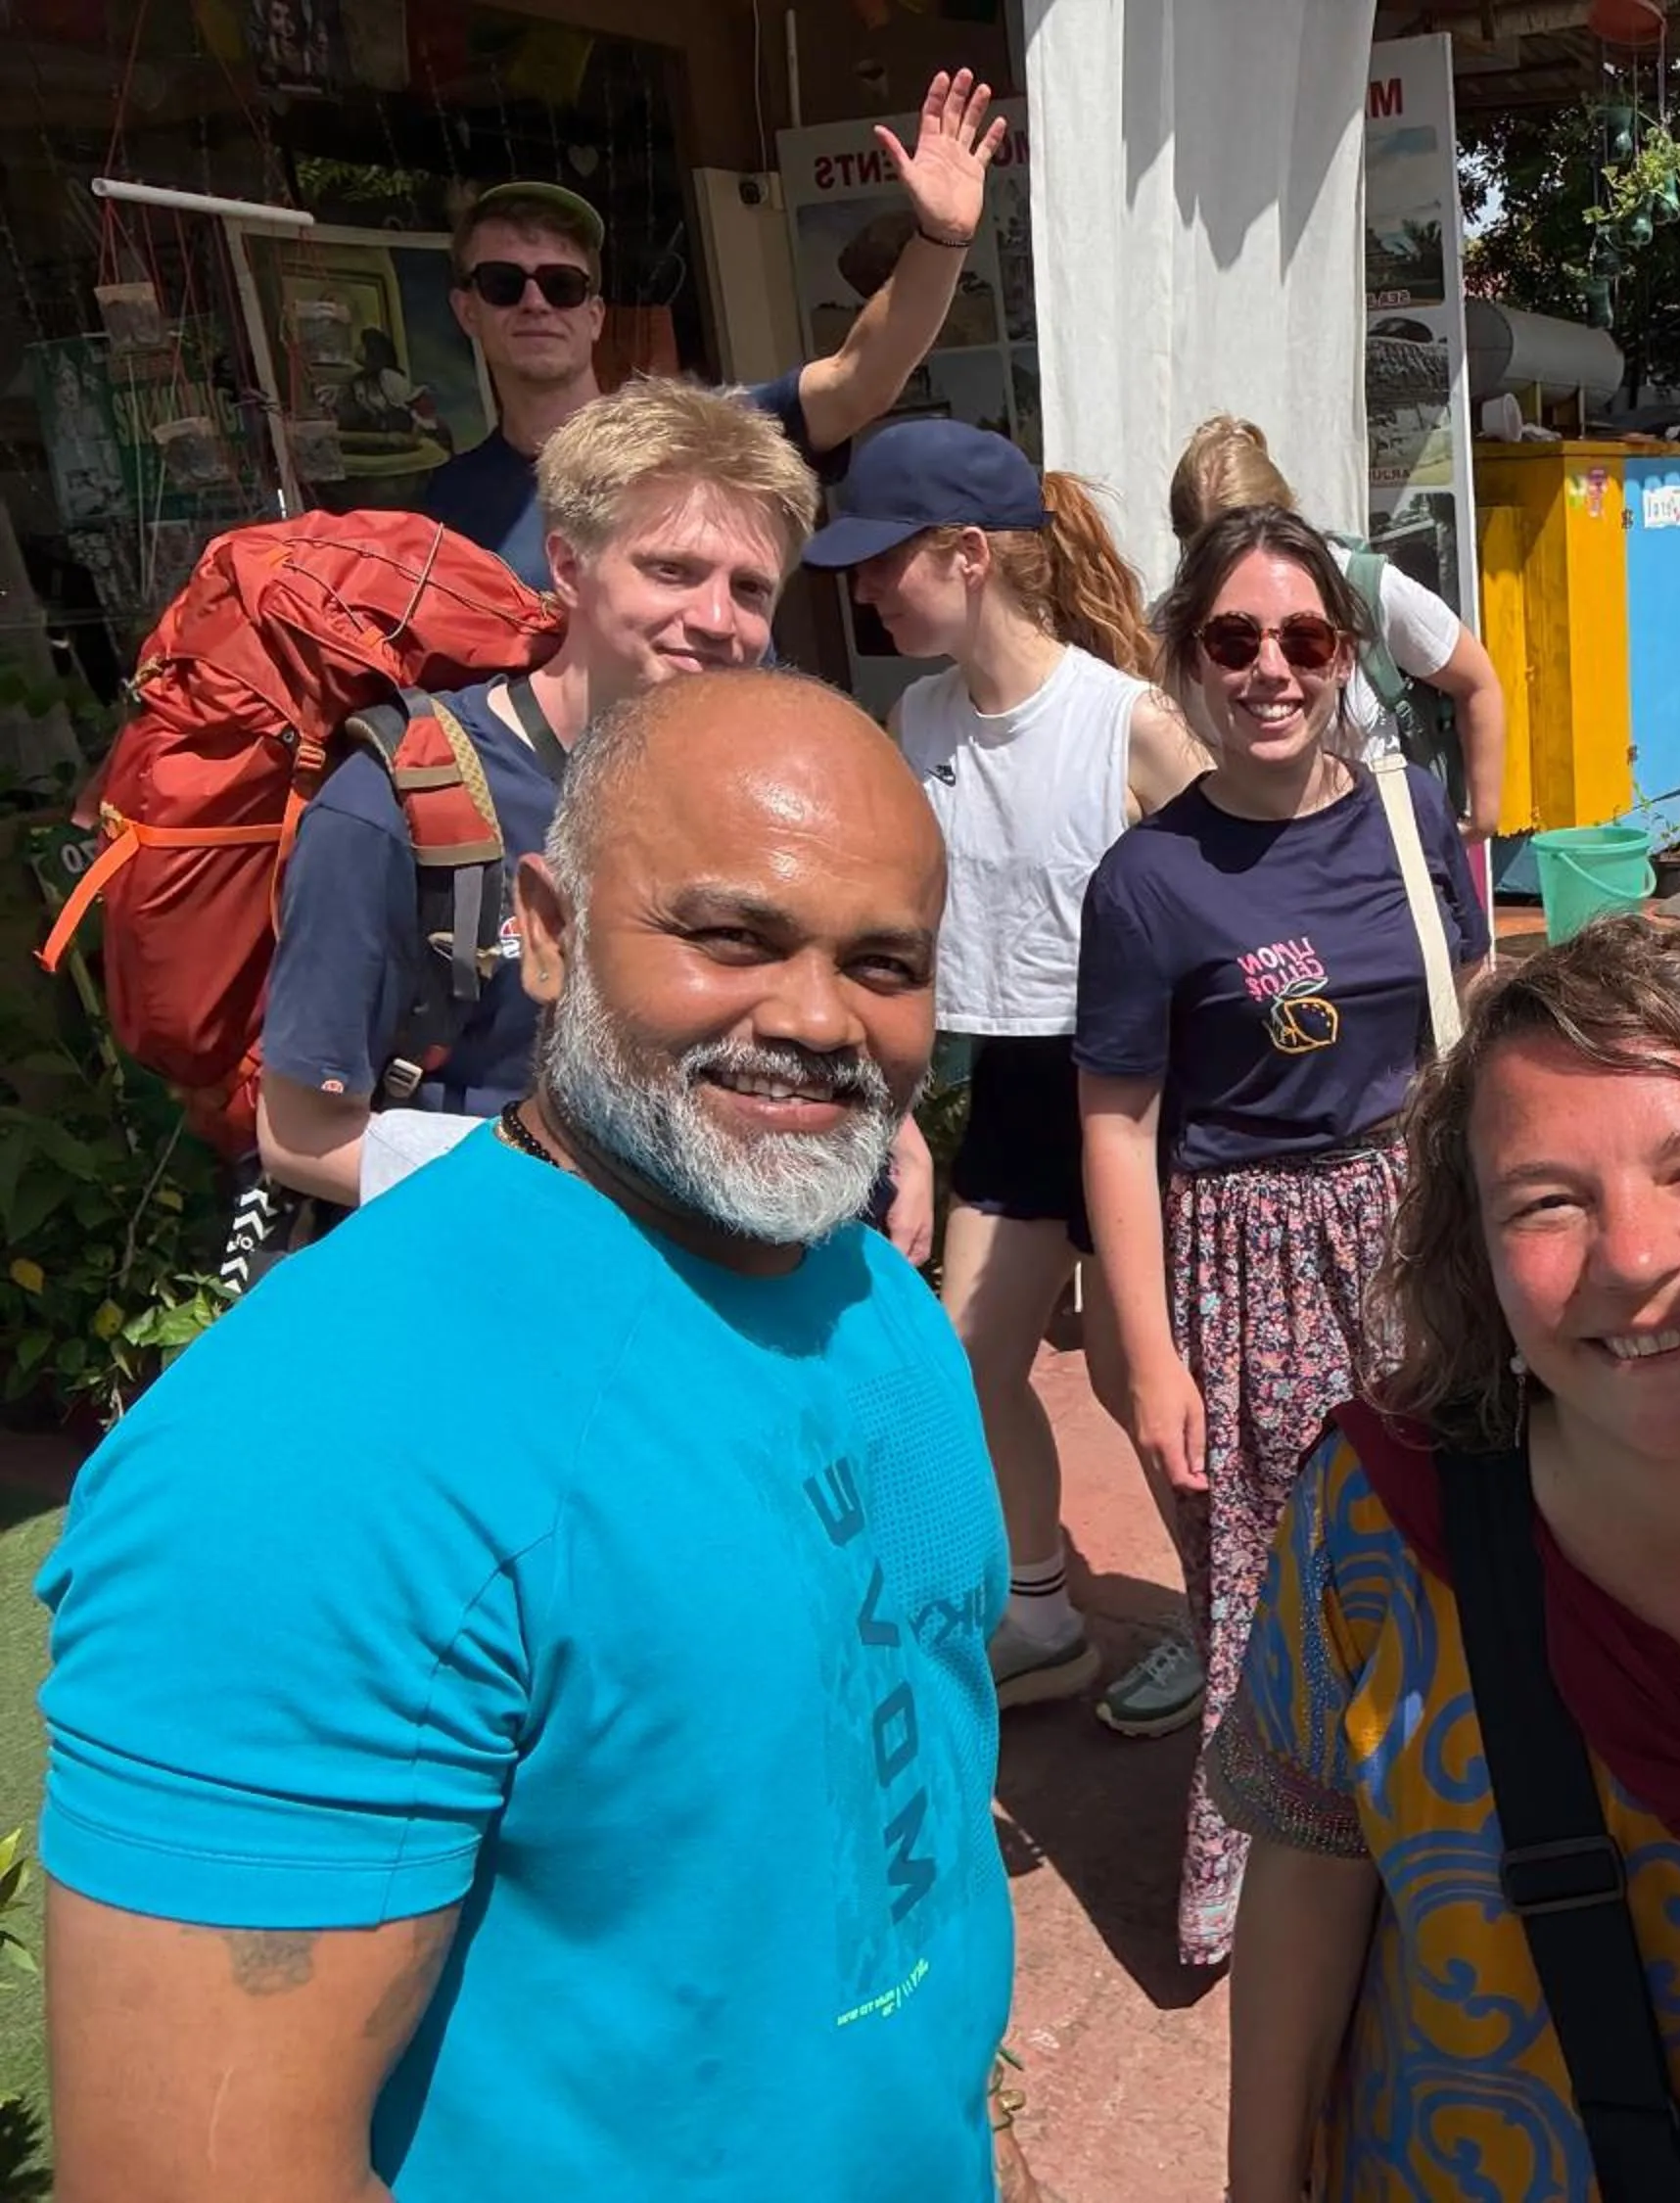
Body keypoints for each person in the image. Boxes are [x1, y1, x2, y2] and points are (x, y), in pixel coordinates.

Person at [40, 668, 1014, 2203]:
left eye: (883, 961)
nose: (820, 1019)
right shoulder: (309, 1459)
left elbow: (890, 1829)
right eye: (732, 934)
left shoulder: (848, 1274)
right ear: (548, 931)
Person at [1215, 915, 1680, 2196]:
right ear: (1476, 1255)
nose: (1635, 1258)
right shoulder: (1378, 1521)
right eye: (1548, 1201)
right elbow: (1308, 1874)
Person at [1077, 502, 1487, 1965]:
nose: (1272, 669)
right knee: (1267, 1584)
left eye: (1305, 638)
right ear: (1189, 657)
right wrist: (1147, 1354)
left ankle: (1434, 1842)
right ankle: (1275, 1903)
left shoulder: (1409, 814)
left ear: (1345, 656)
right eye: (1235, 639)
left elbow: (1466, 1011)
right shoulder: (1147, 880)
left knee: (1452, 1549)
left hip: (1413, 1225)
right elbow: (1117, 1121)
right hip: (1241, 1264)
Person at [798, 417, 1211, 1735]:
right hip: (1019, 1085)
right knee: (970, 1353)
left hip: (1148, 1092)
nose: (862, 590)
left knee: (1141, 1380)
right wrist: (893, 1109)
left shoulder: (1125, 721)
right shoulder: (909, 719)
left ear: (968, 555)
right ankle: (1041, 1612)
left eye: (883, 561)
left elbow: (1233, 913)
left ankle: (1230, 1623)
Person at [257, 376, 820, 1215]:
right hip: (488, 1274)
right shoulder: (397, 806)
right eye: (672, 570)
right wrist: (580, 1203)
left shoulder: (747, 784)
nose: (715, 618)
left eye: (750, 589)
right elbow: (301, 1134)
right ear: (568, 565)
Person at [424, 70, 1002, 588]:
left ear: (594, 315)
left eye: (562, 285)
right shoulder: (446, 507)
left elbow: (859, 378)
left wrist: (942, 238)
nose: (534, 302)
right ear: (465, 309)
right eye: (503, 282)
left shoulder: (706, 436)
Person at [1166, 414, 1506, 839]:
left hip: (1376, 842)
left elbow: (1476, 681)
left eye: (1305, 640)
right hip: (1239, 857)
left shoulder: (1364, 587)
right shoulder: (1175, 622)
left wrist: (1481, 819)